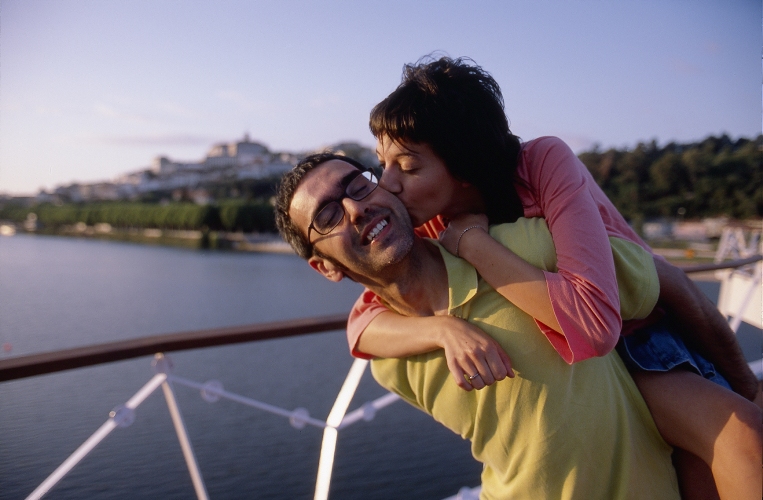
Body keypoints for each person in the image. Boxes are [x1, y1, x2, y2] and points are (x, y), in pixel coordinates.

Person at [348, 56, 761, 498]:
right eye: (381, 163)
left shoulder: (540, 164)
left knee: (744, 440)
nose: (387, 183)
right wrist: (442, 328)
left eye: (408, 167)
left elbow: (612, 314)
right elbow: (362, 323)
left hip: (644, 342)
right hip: (579, 380)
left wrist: (474, 244)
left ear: (464, 166)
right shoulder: (426, 216)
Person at [275, 153, 683, 499]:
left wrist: (732, 381)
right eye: (327, 215)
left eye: (359, 185)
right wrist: (441, 329)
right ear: (324, 267)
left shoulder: (524, 248)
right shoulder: (391, 363)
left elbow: (666, 285)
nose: (355, 208)